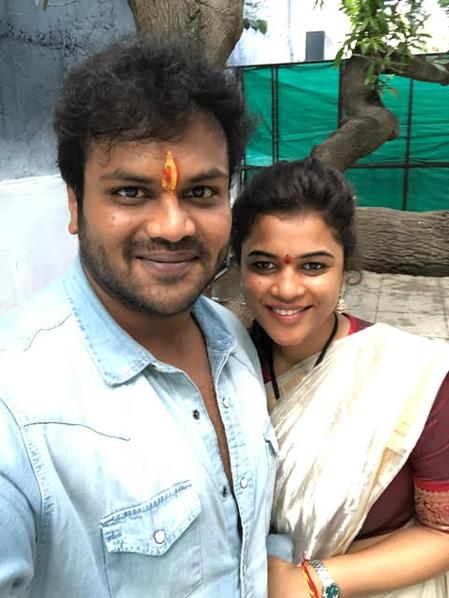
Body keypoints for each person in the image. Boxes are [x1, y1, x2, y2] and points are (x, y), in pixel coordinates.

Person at [0, 37, 277, 597]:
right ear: (75, 205)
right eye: (131, 192)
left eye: (202, 191)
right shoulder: (16, 406)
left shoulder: (231, 337)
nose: (173, 227)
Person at [231, 157, 449, 597]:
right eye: (264, 265)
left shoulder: (413, 374)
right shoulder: (218, 364)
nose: (287, 288)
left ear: (346, 269)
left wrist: (313, 583)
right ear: (240, 267)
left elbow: (442, 533)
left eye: (313, 266)